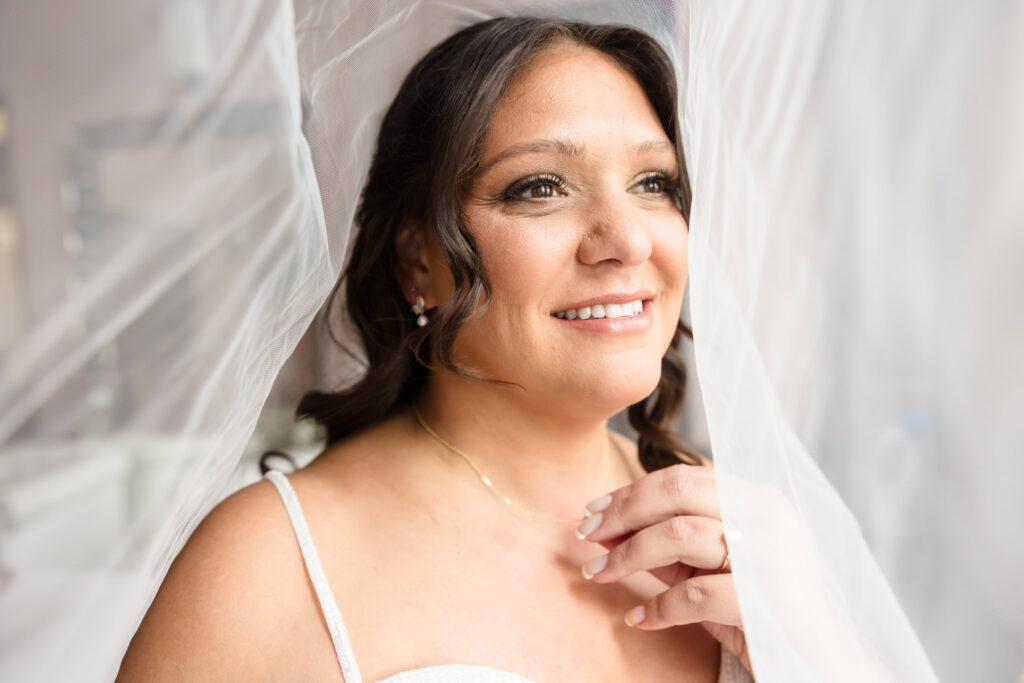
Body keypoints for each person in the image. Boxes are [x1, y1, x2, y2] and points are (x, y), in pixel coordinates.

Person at [117, 17, 754, 682]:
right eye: (539, 186)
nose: (628, 240)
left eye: (653, 182)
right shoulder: (268, 565)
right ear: (416, 261)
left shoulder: (739, 531)